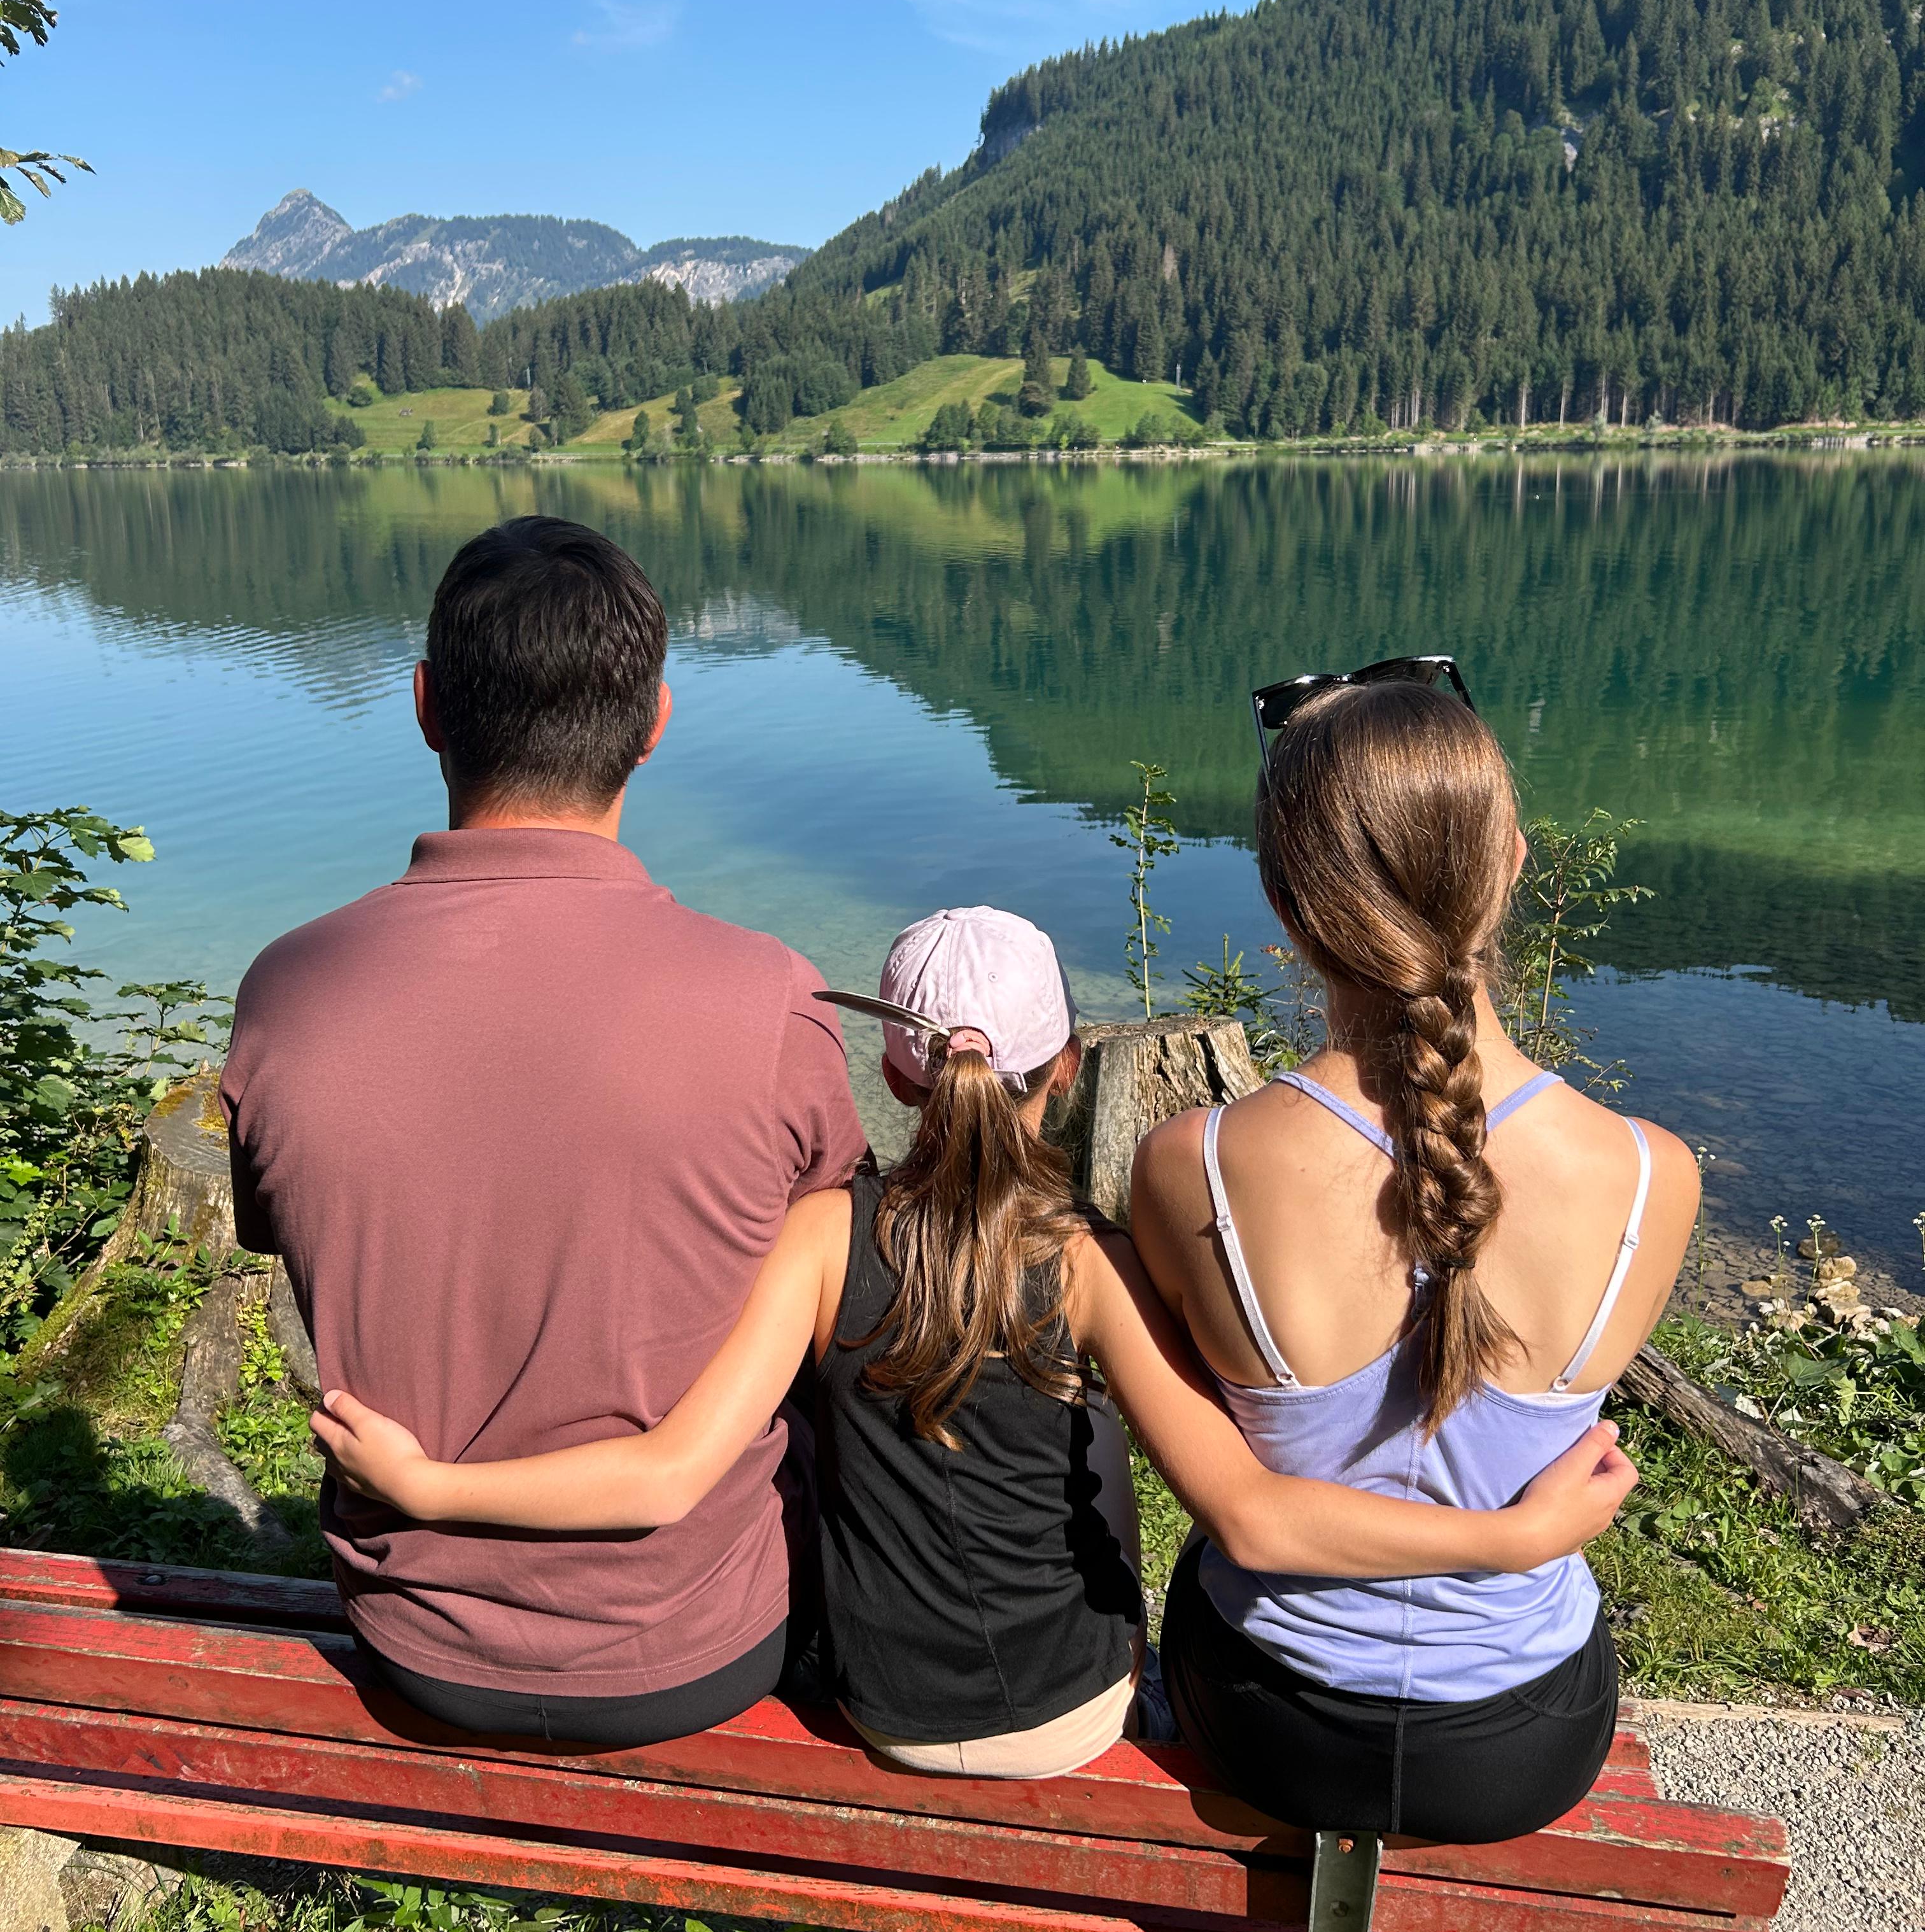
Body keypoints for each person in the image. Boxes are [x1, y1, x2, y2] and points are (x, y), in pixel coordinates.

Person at [313, 905, 1637, 1779]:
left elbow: (665, 1474)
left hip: (881, 1711)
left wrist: (432, 1485)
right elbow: (1248, 1510)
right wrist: (1511, 1534)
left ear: (892, 1071)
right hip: (1075, 1715)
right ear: (1068, 1069)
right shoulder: (1091, 1267)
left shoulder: (823, 1240)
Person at [220, 516, 868, 1744]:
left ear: (424, 708)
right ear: (657, 720)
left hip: (415, 1639)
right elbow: (840, 1270)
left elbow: (288, 1241)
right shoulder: (774, 1000)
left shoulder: (285, 995)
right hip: (705, 1642)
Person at [1131, 668, 1700, 1844]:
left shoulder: (1192, 1167)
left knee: (1203, 1582)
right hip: (1523, 1746)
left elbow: (1242, 1513)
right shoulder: (1653, 1176)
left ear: (1288, 912)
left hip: (1273, 1722)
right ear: (1513, 867)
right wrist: (1510, 1537)